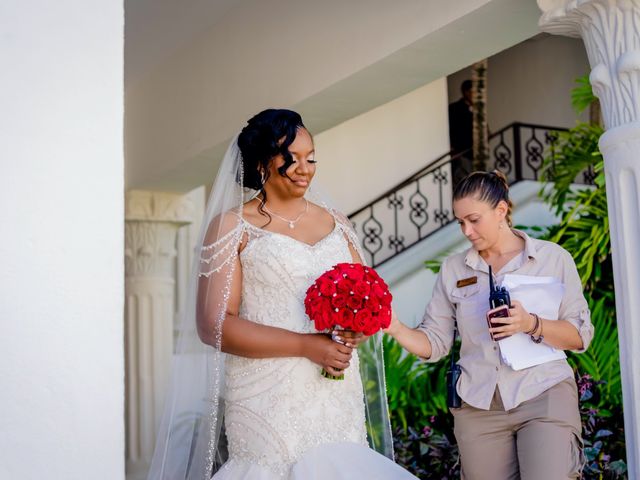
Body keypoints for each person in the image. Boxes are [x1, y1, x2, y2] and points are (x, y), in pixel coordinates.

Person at [147, 109, 417, 479]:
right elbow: (214, 325)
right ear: (262, 164)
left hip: (334, 395)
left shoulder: (337, 222)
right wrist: (307, 345)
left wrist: (356, 329)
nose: (305, 168)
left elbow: (366, 298)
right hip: (268, 395)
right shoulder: (233, 226)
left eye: (311, 157)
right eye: (292, 159)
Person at [385, 171, 594, 479]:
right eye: (460, 222)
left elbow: (579, 336)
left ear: (501, 210)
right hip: (478, 407)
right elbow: (436, 343)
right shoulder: (453, 269)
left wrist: (530, 323)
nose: (467, 231)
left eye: (474, 219)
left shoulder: (553, 258)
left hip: (543, 393)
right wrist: (394, 326)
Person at [448, 79, 474, 186]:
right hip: (461, 151)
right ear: (466, 92)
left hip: (474, 152)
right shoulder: (454, 108)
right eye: (474, 92)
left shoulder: (478, 108)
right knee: (465, 180)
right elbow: (452, 129)